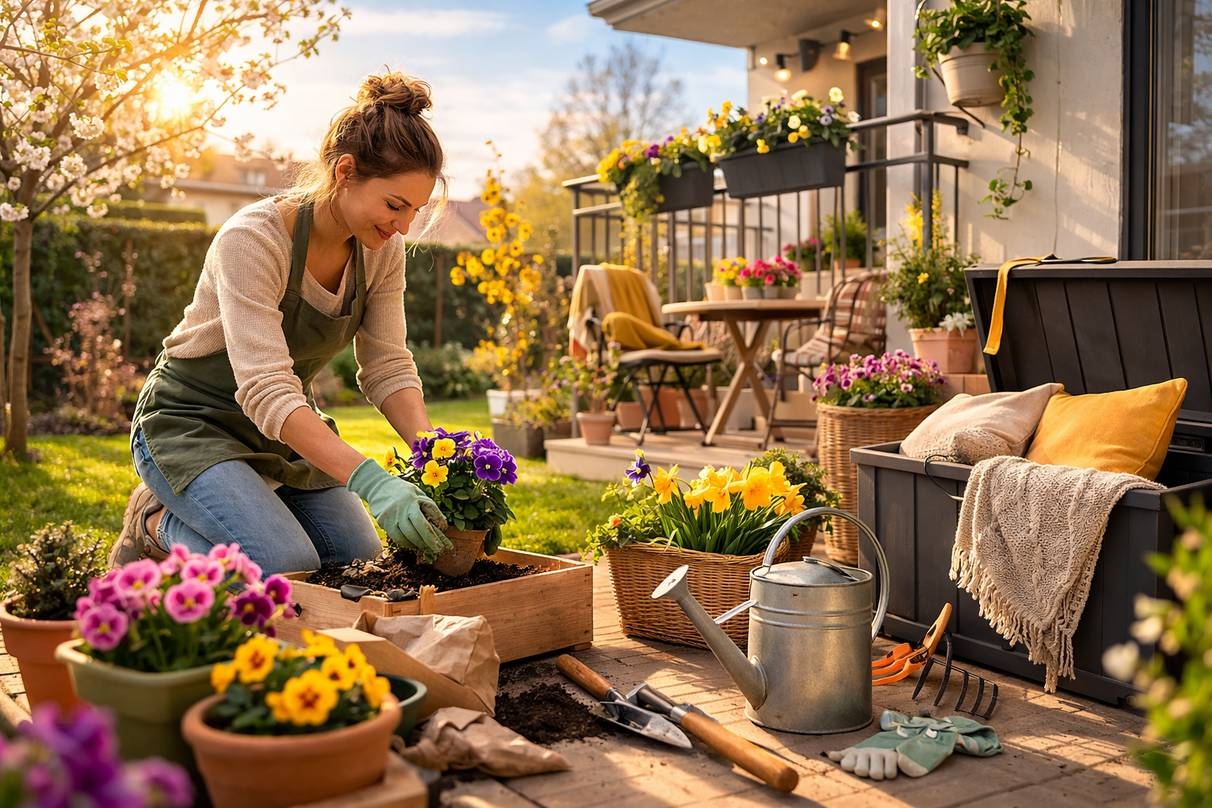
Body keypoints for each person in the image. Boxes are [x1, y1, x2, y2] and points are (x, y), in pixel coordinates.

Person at [110, 71, 459, 575]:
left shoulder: (383, 251)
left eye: (414, 211)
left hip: (281, 431)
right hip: (191, 424)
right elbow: (267, 387)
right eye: (394, 205)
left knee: (355, 559)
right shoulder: (253, 240)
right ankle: (152, 524)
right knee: (281, 563)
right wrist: (371, 481)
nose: (403, 225)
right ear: (344, 172)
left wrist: (436, 457)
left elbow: (387, 366)